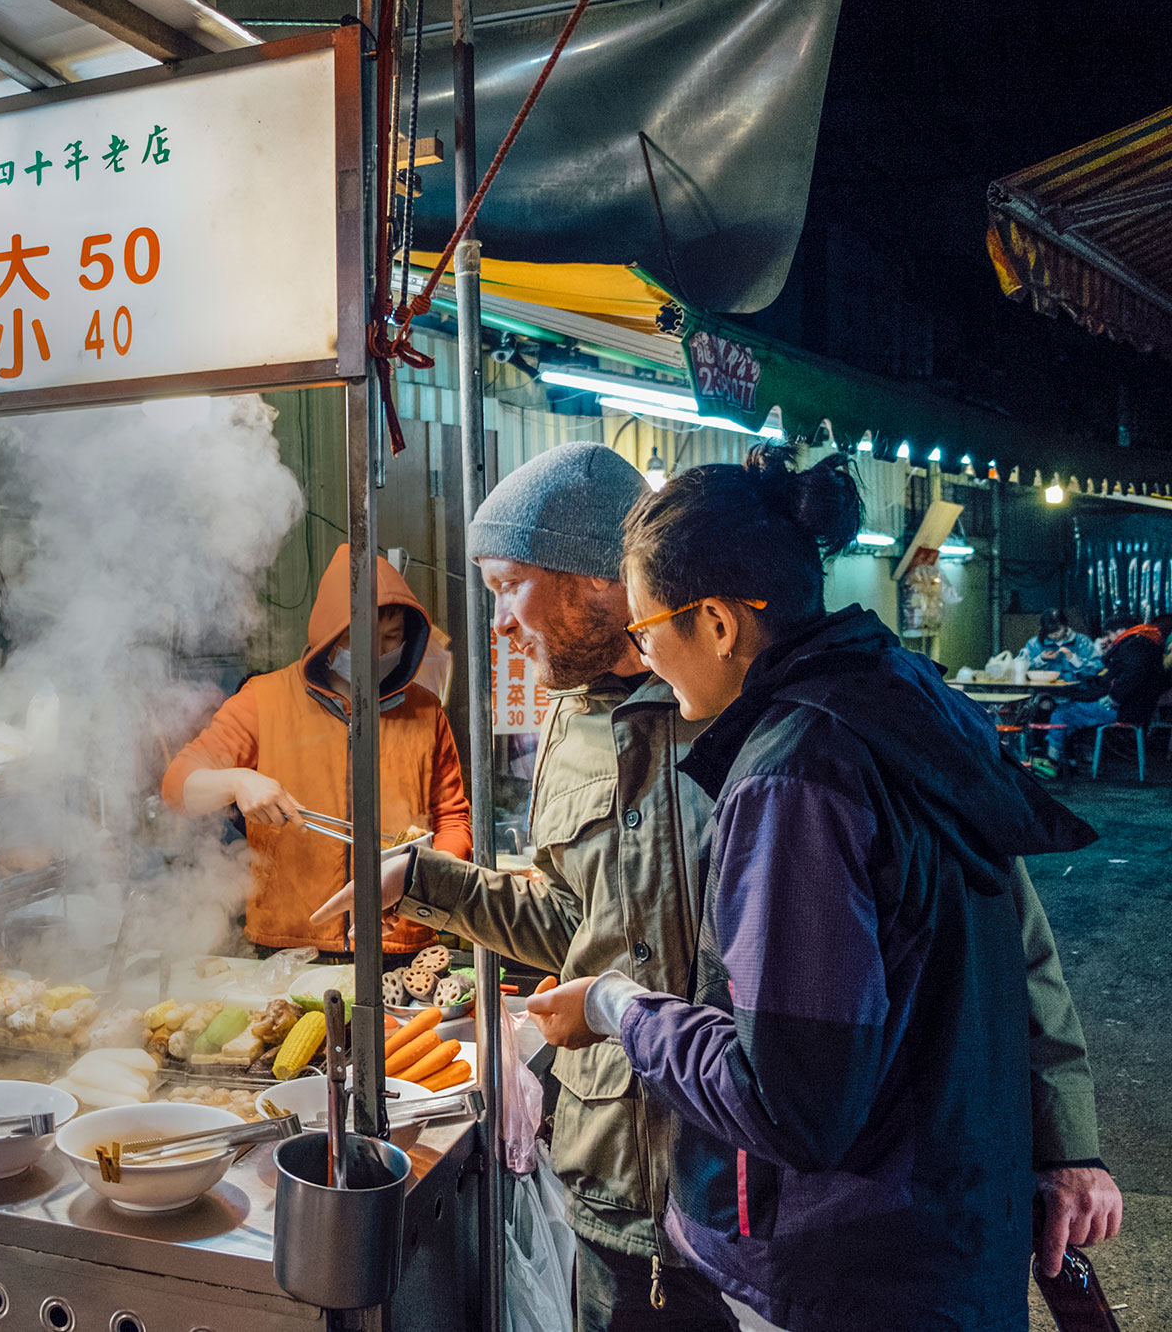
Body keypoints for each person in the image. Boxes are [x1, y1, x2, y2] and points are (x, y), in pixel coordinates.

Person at [317, 441, 1116, 1331]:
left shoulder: (785, 723)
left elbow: (1003, 938)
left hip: (789, 1199)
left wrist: (1063, 1141)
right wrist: (423, 880)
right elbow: (586, 925)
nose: (498, 620)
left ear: (601, 581)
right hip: (624, 1179)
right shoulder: (572, 724)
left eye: (509, 584)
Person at [162, 547, 471, 954]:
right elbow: (177, 786)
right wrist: (238, 780)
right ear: (330, 633)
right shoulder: (264, 699)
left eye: (392, 639)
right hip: (289, 939)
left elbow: (452, 818)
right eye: (358, 639)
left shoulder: (425, 710)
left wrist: (422, 881)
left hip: (399, 939)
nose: (376, 654)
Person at [1037, 613, 1168, 773]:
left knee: (1062, 713)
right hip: (1136, 708)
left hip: (1124, 709)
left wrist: (1114, 698)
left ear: (1120, 631)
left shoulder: (1136, 644)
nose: (1108, 638)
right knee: (1071, 714)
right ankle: (1067, 763)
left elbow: (1133, 674)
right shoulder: (1145, 642)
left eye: (1109, 634)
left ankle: (1051, 763)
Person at [1021, 607, 1101, 682]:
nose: (1054, 634)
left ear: (1065, 625)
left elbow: (1098, 667)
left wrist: (1074, 659)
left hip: (1077, 693)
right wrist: (1041, 659)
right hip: (1045, 693)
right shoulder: (1034, 644)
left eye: (1058, 630)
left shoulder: (1082, 641)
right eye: (1049, 631)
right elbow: (1020, 669)